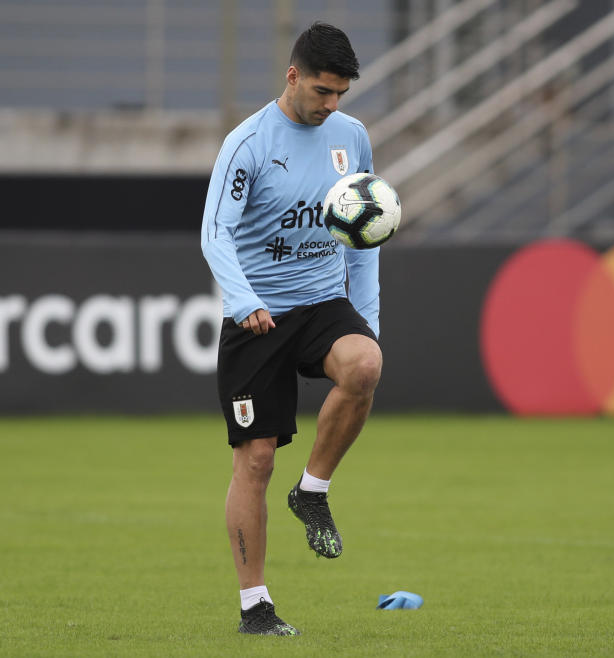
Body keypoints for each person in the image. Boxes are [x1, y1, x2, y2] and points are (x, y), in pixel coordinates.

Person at [200, 22, 382, 636]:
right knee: (253, 461)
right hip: (258, 318)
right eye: (323, 92)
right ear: (293, 76)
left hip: (322, 301)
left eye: (341, 95)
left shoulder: (352, 138)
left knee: (365, 366)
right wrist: (244, 298)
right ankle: (256, 607)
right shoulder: (247, 144)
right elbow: (214, 233)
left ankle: (313, 490)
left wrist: (370, 320)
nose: (332, 105)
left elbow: (363, 238)